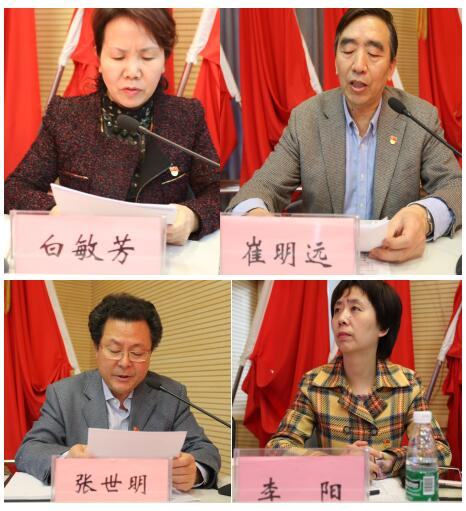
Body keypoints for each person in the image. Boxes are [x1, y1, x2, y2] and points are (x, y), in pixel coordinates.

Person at [228, 9, 461, 263]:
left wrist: (423, 217)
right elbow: (262, 187)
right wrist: (255, 215)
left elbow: (456, 187)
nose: (358, 66)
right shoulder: (306, 119)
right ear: (335, 61)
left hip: (393, 265)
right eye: (348, 51)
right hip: (323, 263)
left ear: (391, 67)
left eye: (373, 54)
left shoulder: (419, 116)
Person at [5, 9, 220, 245]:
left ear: (163, 61)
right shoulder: (66, 116)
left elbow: (216, 190)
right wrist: (53, 211)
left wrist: (192, 217)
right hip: (87, 252)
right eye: (118, 57)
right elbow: (14, 189)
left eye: (148, 57)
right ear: (98, 59)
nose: (132, 72)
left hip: (163, 256)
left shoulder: (187, 116)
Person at [15, 293, 221, 490]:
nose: (125, 362)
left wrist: (194, 471)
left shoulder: (170, 394)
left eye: (137, 353)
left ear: (150, 353)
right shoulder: (64, 394)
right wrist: (67, 459)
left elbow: (206, 450)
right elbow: (29, 450)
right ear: (97, 348)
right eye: (114, 350)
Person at [267, 281, 451, 479]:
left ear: (383, 326)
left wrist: (390, 460)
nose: (341, 319)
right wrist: (334, 462)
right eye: (337, 310)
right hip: (335, 487)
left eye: (355, 308)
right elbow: (277, 448)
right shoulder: (314, 382)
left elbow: (441, 452)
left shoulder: (406, 383)